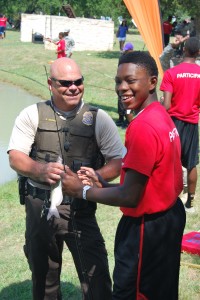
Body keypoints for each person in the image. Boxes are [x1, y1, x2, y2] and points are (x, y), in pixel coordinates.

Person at [61, 51, 186, 300]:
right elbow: (145, 182)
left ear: (152, 82)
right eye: (118, 81)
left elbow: (131, 197)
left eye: (130, 80)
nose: (122, 88)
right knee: (160, 289)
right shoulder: (161, 114)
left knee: (132, 292)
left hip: (145, 229)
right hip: (169, 217)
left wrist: (82, 191)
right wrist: (104, 184)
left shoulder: (142, 127)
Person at [8, 57, 123, 300]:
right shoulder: (32, 114)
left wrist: (97, 175)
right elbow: (16, 157)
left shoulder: (98, 118)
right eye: (65, 83)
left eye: (78, 81)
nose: (73, 87)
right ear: (50, 83)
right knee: (44, 277)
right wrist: (40, 170)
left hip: (81, 209)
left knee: (97, 275)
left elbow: (118, 160)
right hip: (40, 209)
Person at [160, 37, 200, 213]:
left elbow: (167, 106)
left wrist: (160, 103)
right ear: (198, 53)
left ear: (183, 50)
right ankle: (190, 201)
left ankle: (168, 196)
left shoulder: (172, 73)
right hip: (191, 124)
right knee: (191, 164)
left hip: (172, 123)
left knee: (169, 162)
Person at [116, 42, 134, 128]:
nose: (125, 52)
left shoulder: (135, 59)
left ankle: (127, 121)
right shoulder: (122, 57)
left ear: (131, 50)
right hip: (121, 81)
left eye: (127, 50)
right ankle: (120, 118)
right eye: (125, 50)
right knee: (120, 100)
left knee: (128, 101)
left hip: (129, 82)